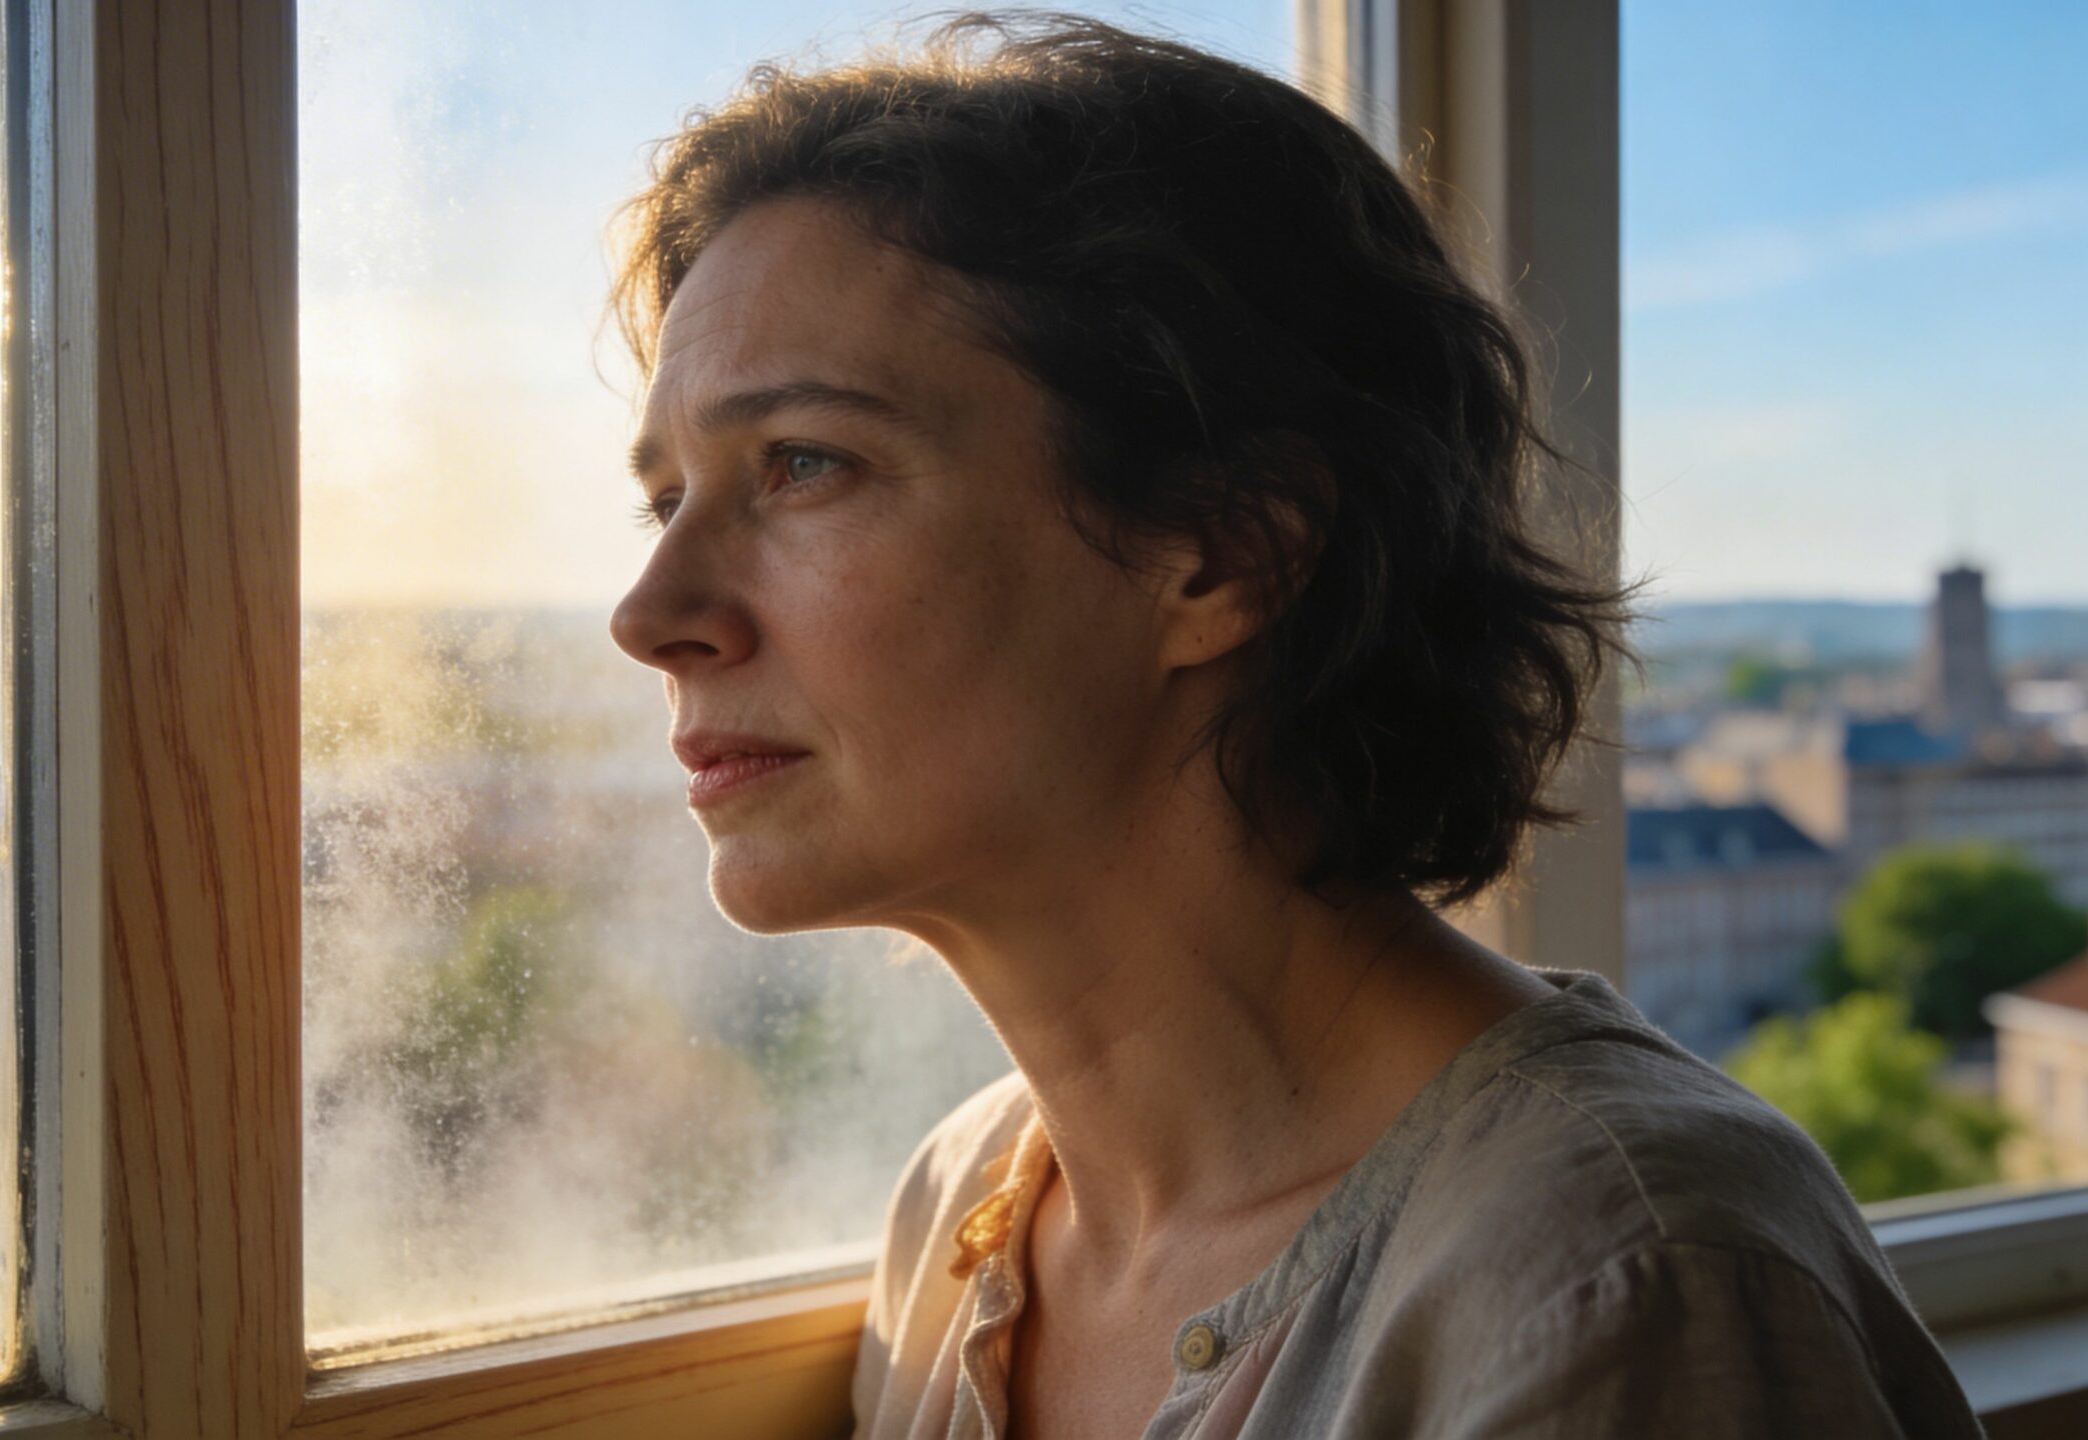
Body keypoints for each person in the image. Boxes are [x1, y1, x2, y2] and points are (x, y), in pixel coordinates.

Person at [604, 11, 1984, 1438]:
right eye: (665, 501)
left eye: (804, 464)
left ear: (1223, 556)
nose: (651, 612)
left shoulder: (1622, 1280)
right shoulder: (963, 1218)